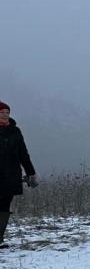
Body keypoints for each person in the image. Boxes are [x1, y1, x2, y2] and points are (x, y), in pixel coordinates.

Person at [0, 101, 38, 249]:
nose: (5, 115)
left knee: (4, 205)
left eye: (7, 112)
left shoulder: (15, 131)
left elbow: (23, 153)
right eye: (2, 112)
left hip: (11, 174)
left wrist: (31, 172)